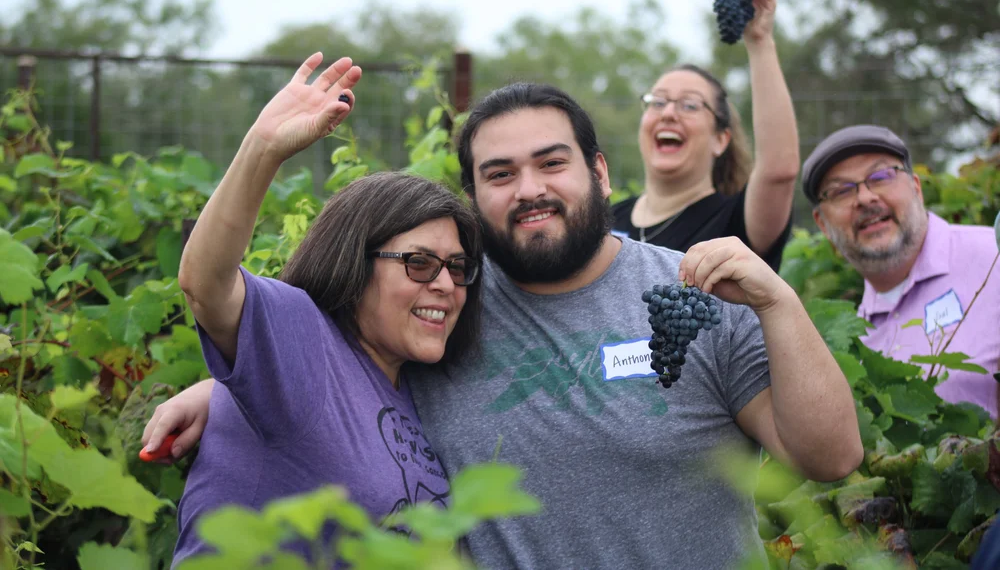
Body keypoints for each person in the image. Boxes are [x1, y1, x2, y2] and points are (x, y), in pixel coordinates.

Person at [147, 81, 862, 570]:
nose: (530, 189)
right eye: (499, 173)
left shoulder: (693, 296)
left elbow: (831, 457)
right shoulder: (447, 302)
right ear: (474, 195)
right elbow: (333, 353)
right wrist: (233, 390)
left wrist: (779, 303)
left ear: (600, 173)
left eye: (552, 163)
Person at [161, 53, 484, 568]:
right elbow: (205, 284)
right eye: (419, 264)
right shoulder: (305, 339)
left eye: (457, 266)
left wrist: (215, 390)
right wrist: (263, 149)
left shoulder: (411, 386)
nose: (445, 284)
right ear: (353, 265)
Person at [802, 124, 1000, 417]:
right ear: (822, 225)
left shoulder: (994, 258)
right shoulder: (852, 340)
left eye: (881, 176)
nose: (865, 198)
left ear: (916, 188)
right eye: (841, 191)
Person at [611, 0, 800, 272]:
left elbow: (779, 171)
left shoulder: (734, 224)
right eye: (658, 101)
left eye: (689, 105)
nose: (668, 113)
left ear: (720, 139)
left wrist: (760, 40)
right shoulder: (604, 221)